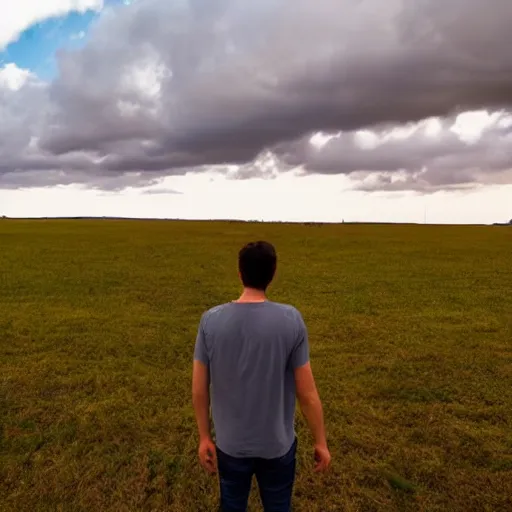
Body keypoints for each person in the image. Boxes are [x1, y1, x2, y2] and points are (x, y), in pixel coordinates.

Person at [192, 241, 331, 512]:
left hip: (230, 445)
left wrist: (204, 437)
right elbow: (307, 393)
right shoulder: (291, 320)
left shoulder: (210, 320)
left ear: (240, 273)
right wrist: (320, 442)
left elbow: (199, 389)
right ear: (273, 273)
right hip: (277, 447)